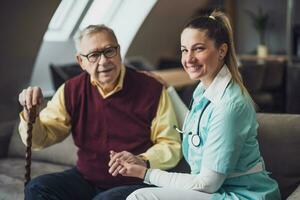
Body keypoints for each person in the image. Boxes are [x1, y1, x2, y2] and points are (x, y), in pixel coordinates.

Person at [114, 10, 281, 200]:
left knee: (140, 197)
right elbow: (198, 129)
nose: (188, 58)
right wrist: (168, 91)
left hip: (242, 195)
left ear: (222, 51)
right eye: (185, 50)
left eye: (198, 48)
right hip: (217, 190)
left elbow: (206, 184)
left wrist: (145, 173)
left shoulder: (229, 106)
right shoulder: (203, 88)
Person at [18, 24, 182, 200]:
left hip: (136, 181)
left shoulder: (152, 88)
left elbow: (171, 144)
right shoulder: (70, 90)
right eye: (94, 55)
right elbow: (40, 140)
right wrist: (30, 114)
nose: (103, 61)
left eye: (109, 51)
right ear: (81, 61)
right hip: (86, 178)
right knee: (37, 188)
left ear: (119, 52)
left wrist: (141, 160)